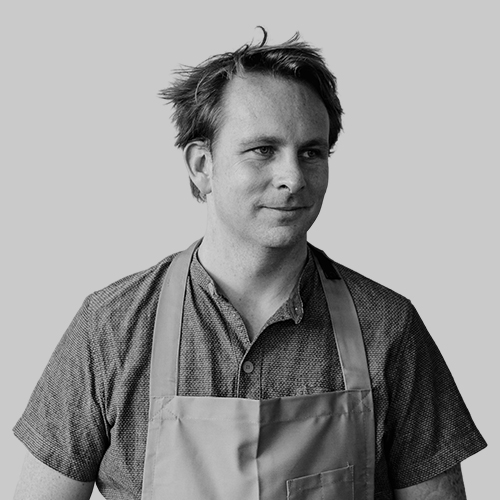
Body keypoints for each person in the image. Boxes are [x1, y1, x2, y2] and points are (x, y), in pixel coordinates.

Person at [13, 29, 486, 500]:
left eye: (311, 152)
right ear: (202, 165)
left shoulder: (388, 328)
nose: (292, 177)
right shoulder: (111, 328)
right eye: (263, 150)